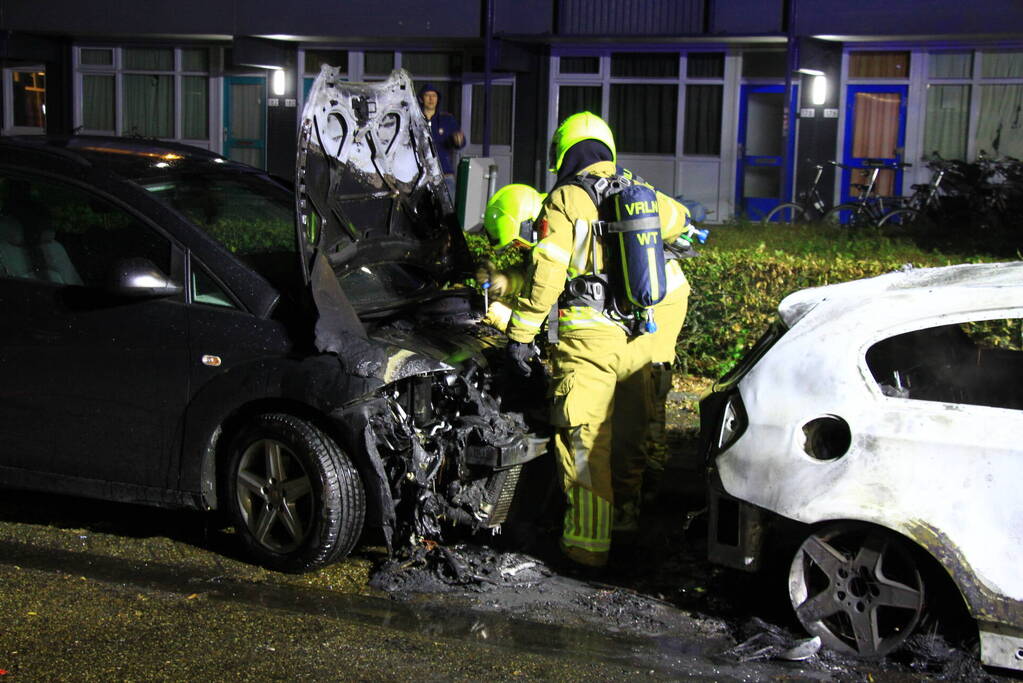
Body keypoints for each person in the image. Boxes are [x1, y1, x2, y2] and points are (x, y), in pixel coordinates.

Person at [501, 112, 692, 570]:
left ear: (563, 154)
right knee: (628, 431)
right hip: (645, 330)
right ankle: (626, 530)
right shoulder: (637, 188)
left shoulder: (565, 197)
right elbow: (682, 222)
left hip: (591, 337)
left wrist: (521, 334)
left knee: (586, 440)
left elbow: (547, 272)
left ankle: (585, 549)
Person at [418, 83, 465, 198]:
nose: (431, 99)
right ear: (421, 99)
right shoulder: (415, 120)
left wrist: (458, 140)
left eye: (434, 96)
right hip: (420, 176)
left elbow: (460, 143)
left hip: (444, 174)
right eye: (427, 95)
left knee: (448, 211)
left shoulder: (447, 120)